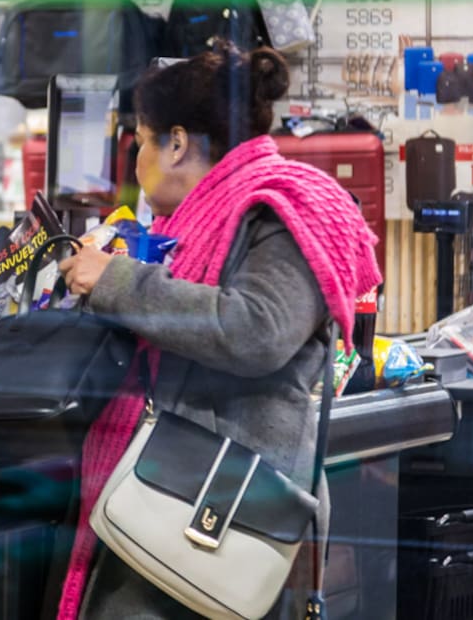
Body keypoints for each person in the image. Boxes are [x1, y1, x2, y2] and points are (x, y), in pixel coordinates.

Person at [54, 43, 382, 618]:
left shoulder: (280, 210)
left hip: (221, 515)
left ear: (175, 143)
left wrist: (119, 281)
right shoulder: (194, 223)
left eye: (140, 139)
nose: (133, 159)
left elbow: (257, 329)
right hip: (170, 496)